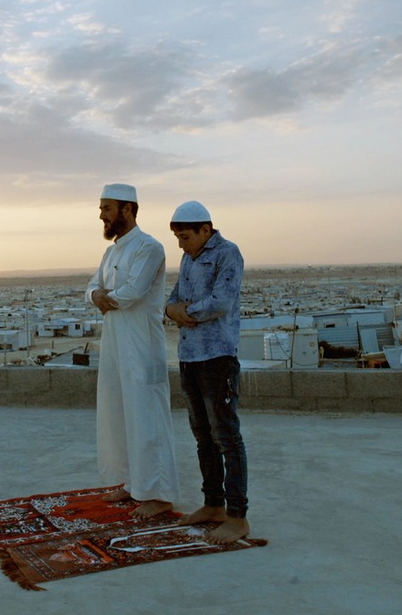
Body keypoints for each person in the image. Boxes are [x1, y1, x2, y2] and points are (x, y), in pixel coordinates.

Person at [86, 183, 180, 519]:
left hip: (142, 346)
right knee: (119, 412)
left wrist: (103, 297)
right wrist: (97, 296)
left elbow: (131, 293)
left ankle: (159, 493)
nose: (101, 215)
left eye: (107, 208)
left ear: (128, 209)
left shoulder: (149, 247)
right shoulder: (111, 252)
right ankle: (132, 483)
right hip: (115, 342)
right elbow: (92, 288)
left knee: (148, 417)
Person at [164, 200, 250, 544]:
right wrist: (175, 309)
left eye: (185, 237)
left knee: (226, 436)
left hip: (217, 357)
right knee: (203, 436)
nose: (181, 245)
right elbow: (172, 299)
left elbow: (221, 301)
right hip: (189, 356)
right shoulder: (189, 257)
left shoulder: (228, 253)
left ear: (205, 229)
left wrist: (186, 313)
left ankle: (238, 515)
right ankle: (213, 504)